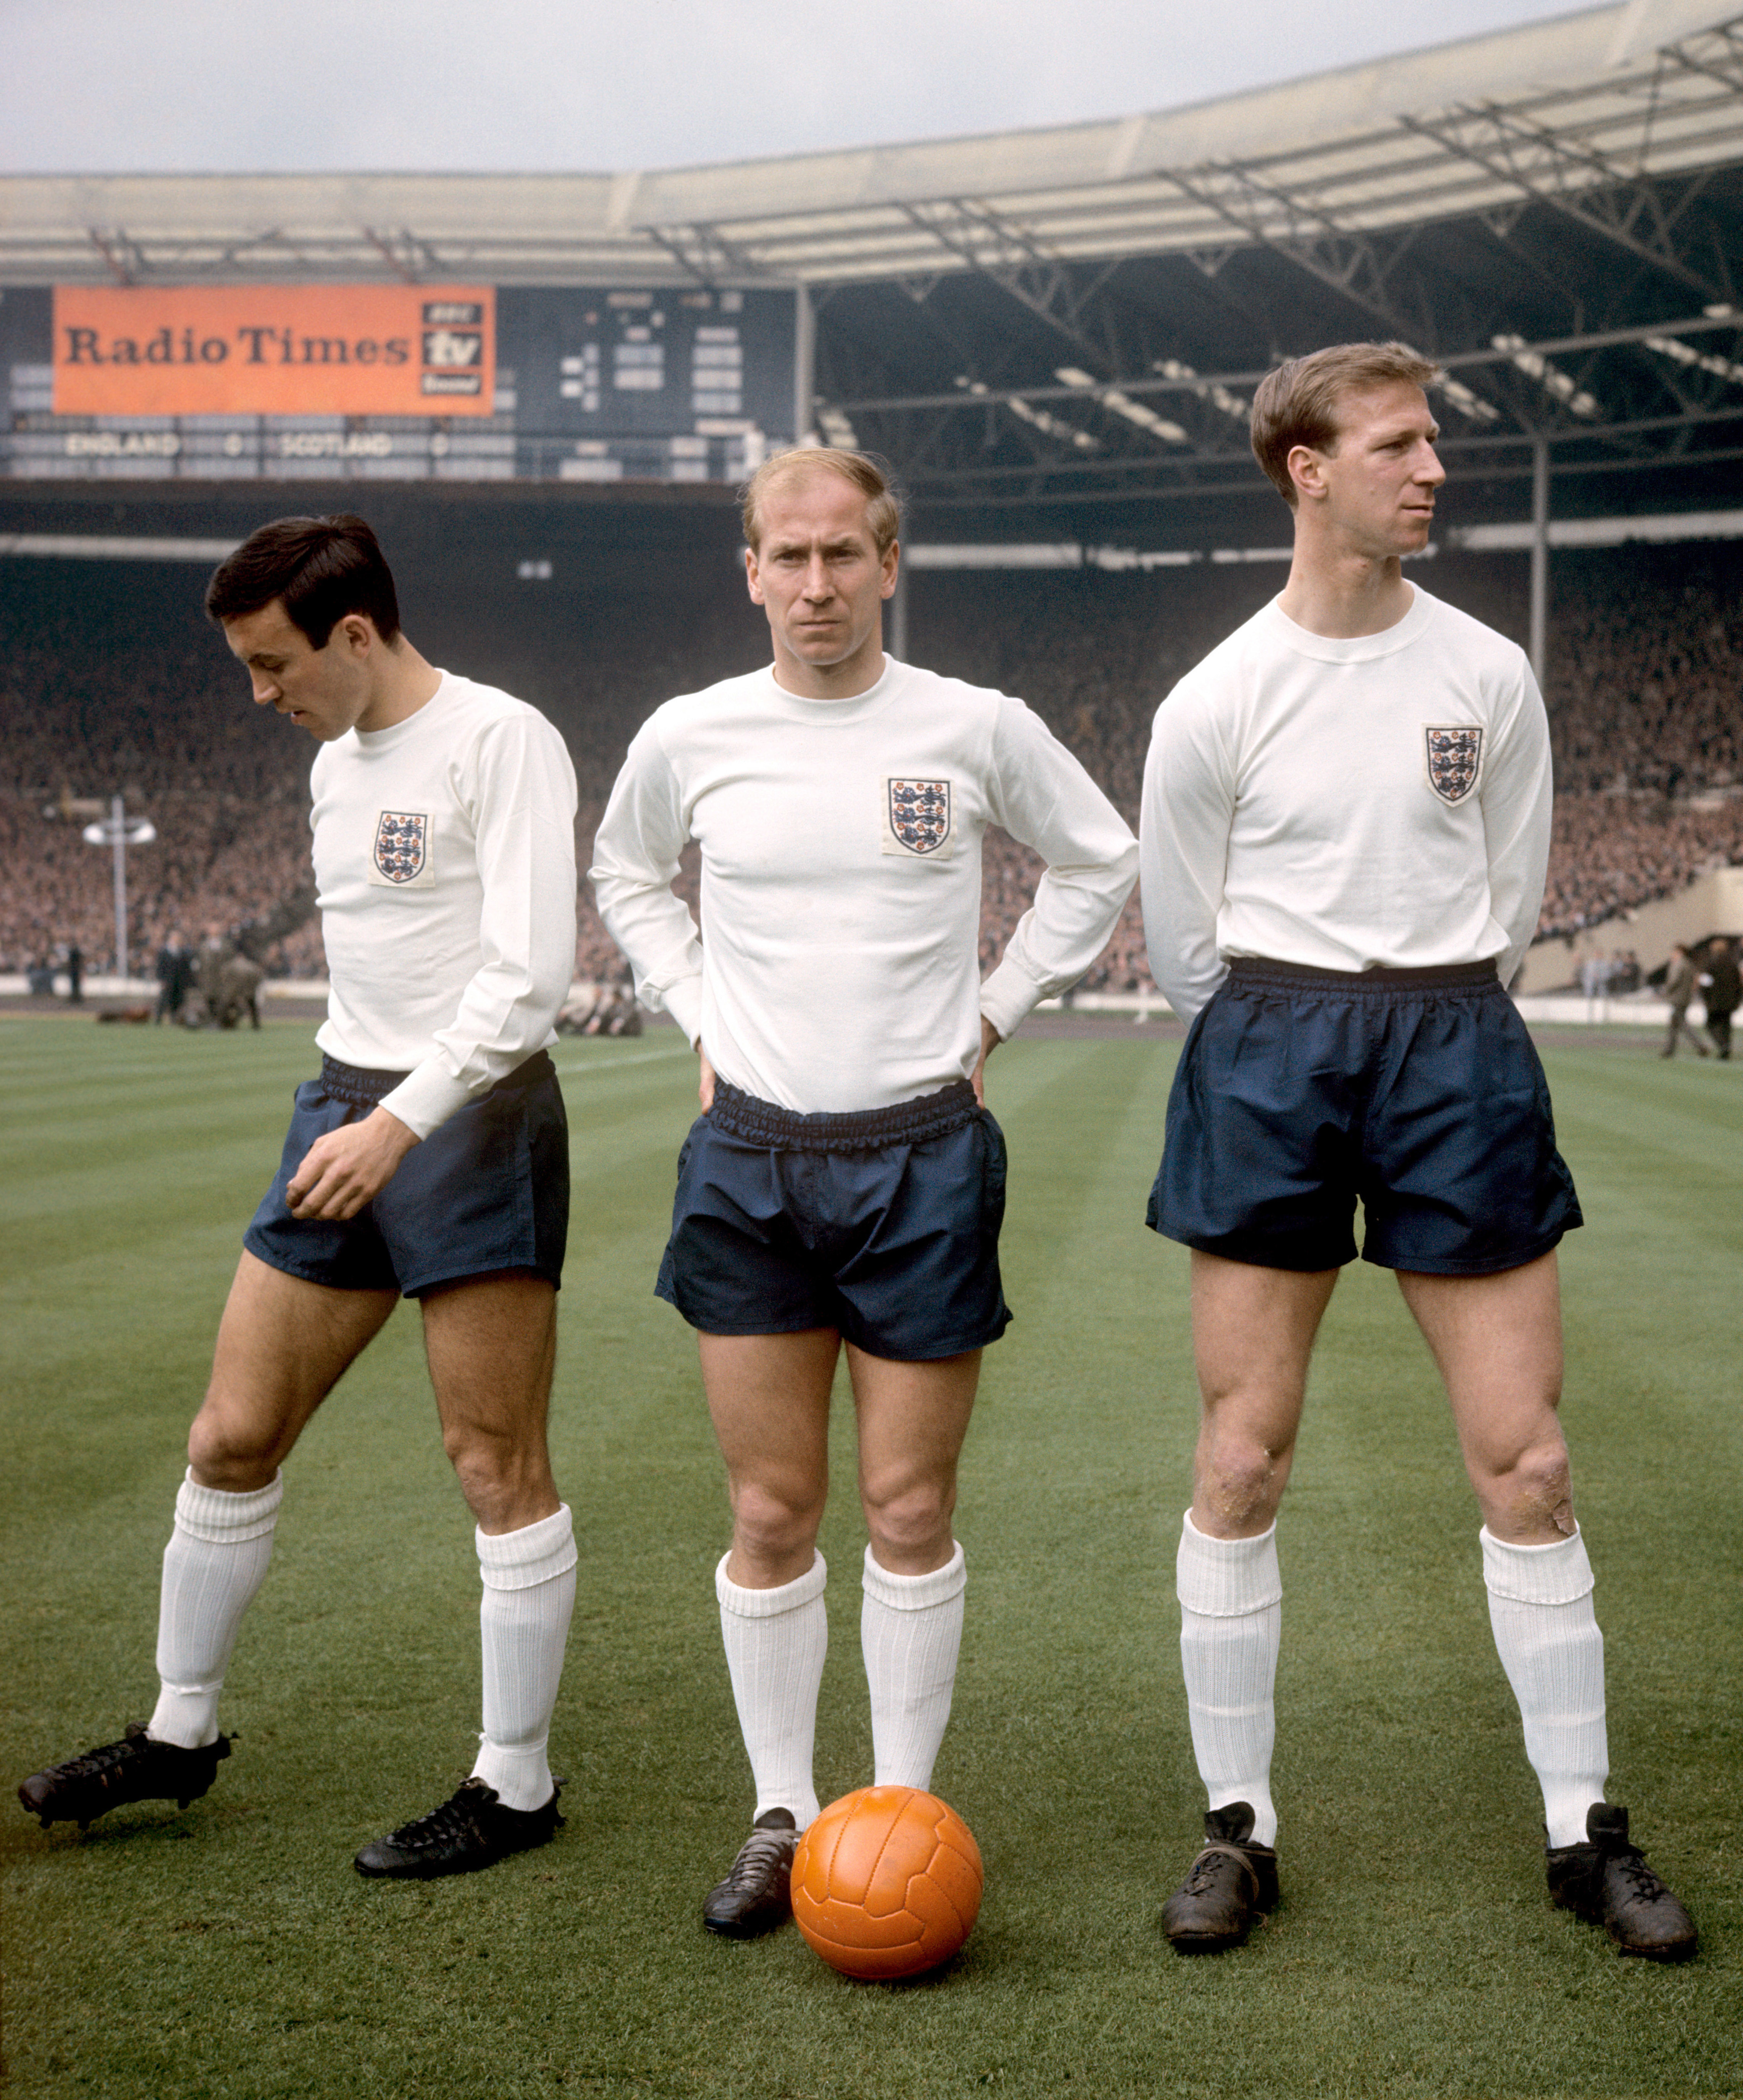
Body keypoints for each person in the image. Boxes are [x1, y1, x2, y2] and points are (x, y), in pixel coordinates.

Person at [1139, 342, 1696, 1961]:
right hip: (1270, 1048)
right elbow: (1186, 940)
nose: (1432, 466)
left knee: (1528, 1458)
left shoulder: (1489, 673)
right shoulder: (1214, 699)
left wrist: (1418, 994)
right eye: (1396, 443)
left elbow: (1509, 897)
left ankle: (1578, 1827)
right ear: (1304, 469)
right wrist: (1292, 1022)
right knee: (1242, 1457)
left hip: (1456, 1042)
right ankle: (1236, 1827)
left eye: (1435, 440)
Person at [591, 448, 1136, 1938]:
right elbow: (626, 873)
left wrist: (995, 1010)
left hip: (920, 1153)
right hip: (750, 1154)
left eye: (844, 555)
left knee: (906, 1503)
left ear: (889, 564)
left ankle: (898, 1805)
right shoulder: (694, 734)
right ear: (750, 571)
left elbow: (1099, 860)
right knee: (770, 1507)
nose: (817, 584)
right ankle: (781, 1811)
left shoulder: (973, 727)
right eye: (790, 556)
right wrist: (697, 1009)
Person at [18, 513, 582, 1880]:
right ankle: (179, 1732)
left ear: (355, 633)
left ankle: (517, 1785)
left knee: (492, 1465)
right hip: (344, 1105)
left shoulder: (505, 740)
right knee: (230, 1431)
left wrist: (399, 1123)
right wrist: (362, 1113)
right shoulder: (335, 766)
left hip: (472, 1117)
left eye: (274, 665)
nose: (261, 696)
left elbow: (528, 979)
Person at [1660, 942, 1708, 1059]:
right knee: (1675, 1024)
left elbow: (1674, 981)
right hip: (1685, 998)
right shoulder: (1689, 964)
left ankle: (1700, 1046)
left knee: (1682, 1024)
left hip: (1678, 998)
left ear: (1680, 952)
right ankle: (1669, 1049)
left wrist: (1666, 990)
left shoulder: (1679, 965)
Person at [1699, 936, 1738, 1059]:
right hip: (1730, 1002)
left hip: (1715, 1001)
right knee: (1726, 1025)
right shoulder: (1732, 964)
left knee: (1711, 1025)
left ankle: (1723, 1045)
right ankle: (1726, 1048)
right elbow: (1738, 984)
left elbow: (1705, 984)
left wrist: (1705, 998)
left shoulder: (1711, 964)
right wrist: (1737, 1000)